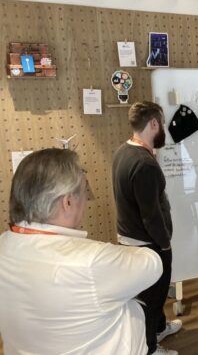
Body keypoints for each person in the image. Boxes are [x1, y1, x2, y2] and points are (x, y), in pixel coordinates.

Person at [0, 148, 162, 354]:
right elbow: (152, 264)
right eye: (85, 191)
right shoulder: (90, 262)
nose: (86, 200)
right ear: (67, 202)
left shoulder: (4, 244)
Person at [112, 101, 181, 355]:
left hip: (130, 239)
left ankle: (159, 327)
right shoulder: (144, 164)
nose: (162, 128)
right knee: (152, 297)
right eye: (161, 123)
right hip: (148, 245)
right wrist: (164, 244)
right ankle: (151, 348)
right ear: (153, 124)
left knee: (152, 296)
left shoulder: (123, 151)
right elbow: (151, 215)